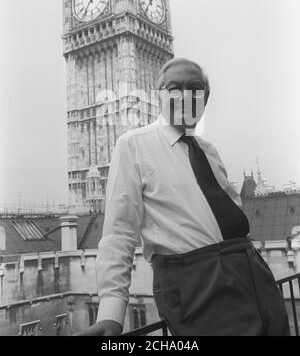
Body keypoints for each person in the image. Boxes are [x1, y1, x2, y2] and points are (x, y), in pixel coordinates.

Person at [79, 57, 290, 336]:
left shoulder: (209, 152)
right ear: (160, 96)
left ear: (206, 98)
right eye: (174, 87)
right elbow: (119, 233)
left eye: (194, 88)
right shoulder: (133, 145)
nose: (184, 94)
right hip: (197, 283)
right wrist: (111, 314)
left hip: (253, 276)